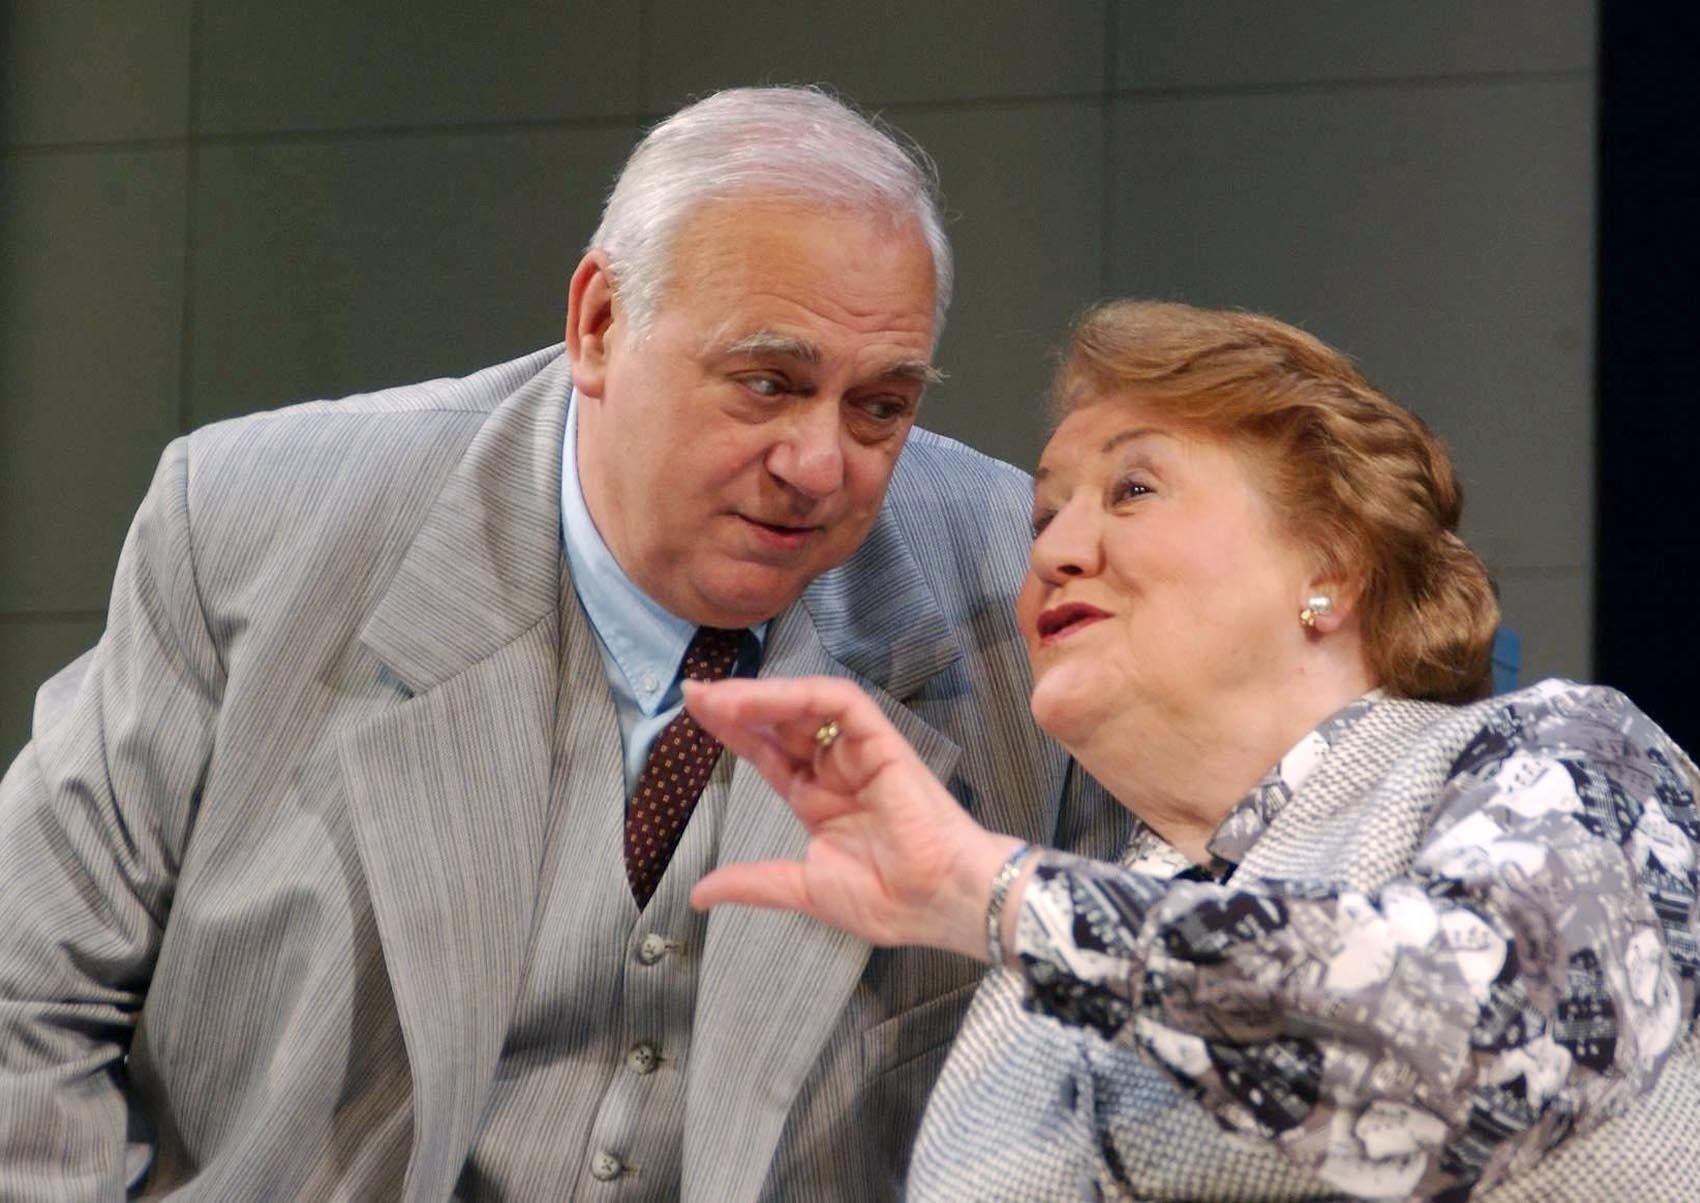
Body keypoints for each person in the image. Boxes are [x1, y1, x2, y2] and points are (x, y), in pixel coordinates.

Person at [0, 88, 1124, 1200]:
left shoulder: (1016, 584)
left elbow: (1162, 1038)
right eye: (767, 383)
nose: (820, 465)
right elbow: (25, 989)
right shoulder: (261, 524)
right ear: (599, 325)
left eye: (881, 407)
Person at [685, 301, 1700, 1201]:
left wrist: (995, 891)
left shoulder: (1560, 757)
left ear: (1334, 563)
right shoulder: (1047, 951)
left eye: (1133, 488)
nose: (1059, 552)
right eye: (1043, 521)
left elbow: (1476, 1042)